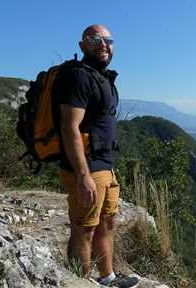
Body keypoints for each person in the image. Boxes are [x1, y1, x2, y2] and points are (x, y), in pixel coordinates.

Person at [56, 24, 139, 288]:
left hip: (104, 165)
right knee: (84, 228)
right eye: (95, 39)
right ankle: (77, 283)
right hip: (88, 167)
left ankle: (107, 278)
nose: (103, 44)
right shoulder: (80, 77)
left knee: (107, 223)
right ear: (83, 46)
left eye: (108, 39)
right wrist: (82, 175)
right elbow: (69, 126)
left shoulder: (101, 78)